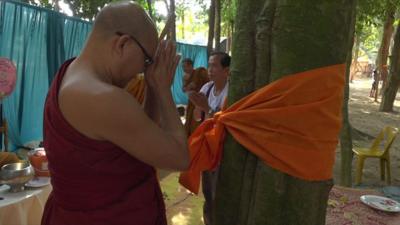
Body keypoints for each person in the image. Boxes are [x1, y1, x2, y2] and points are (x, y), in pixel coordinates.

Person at [41, 2, 189, 225]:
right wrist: (163, 89)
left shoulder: (71, 74)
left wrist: (152, 86)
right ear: (122, 44)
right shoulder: (103, 97)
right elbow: (180, 157)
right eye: (147, 61)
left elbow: (142, 142)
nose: (143, 70)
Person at [188, 52, 230, 225]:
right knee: (208, 192)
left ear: (226, 70)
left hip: (224, 147)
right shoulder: (207, 88)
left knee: (219, 193)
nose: (210, 69)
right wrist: (198, 106)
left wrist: (207, 107)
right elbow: (199, 118)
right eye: (209, 65)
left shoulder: (231, 90)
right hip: (207, 146)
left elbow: (225, 122)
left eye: (214, 66)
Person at [181, 58, 209, 135]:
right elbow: (183, 90)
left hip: (201, 100)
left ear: (191, 66)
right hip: (192, 101)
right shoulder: (185, 77)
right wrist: (188, 86)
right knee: (190, 118)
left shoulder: (200, 72)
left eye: (185, 66)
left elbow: (209, 83)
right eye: (182, 67)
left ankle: (197, 134)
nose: (184, 69)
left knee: (198, 120)